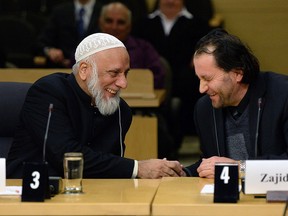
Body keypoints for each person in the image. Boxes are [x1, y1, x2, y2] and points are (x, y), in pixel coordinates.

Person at [6, 33, 185, 179]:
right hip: (28, 196)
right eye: (114, 73)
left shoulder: (120, 110)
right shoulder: (48, 92)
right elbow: (67, 157)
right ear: (84, 70)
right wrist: (138, 168)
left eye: (125, 73)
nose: (123, 83)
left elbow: (109, 168)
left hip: (89, 198)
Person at [183, 29, 288, 178]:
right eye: (199, 79)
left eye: (208, 79)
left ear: (237, 73)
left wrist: (239, 169)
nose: (201, 89)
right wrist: (182, 173)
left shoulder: (282, 95)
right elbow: (212, 163)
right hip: (229, 198)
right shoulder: (204, 108)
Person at [134, 0, 212, 146]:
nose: (170, 1)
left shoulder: (199, 25)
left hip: (187, 83)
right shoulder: (142, 24)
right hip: (150, 83)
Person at [99, 2, 165, 89]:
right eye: (109, 21)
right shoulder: (87, 47)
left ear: (129, 27)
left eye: (121, 22)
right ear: (100, 23)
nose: (114, 27)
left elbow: (158, 76)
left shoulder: (144, 49)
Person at [34, 0, 103, 68]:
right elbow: (41, 42)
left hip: (96, 68)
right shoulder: (60, 11)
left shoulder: (106, 10)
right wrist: (50, 51)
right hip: (61, 68)